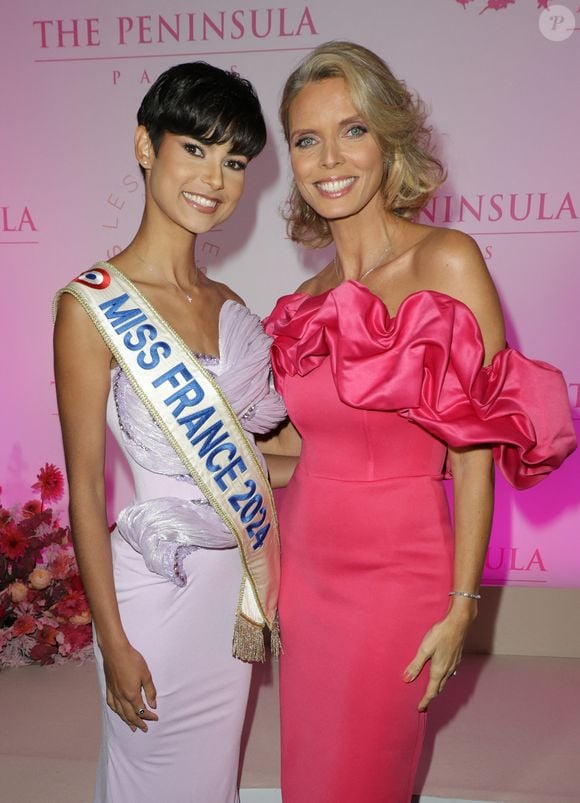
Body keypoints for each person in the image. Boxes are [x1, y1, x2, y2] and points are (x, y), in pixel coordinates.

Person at [262, 41, 576, 803]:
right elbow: (299, 452)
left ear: (390, 140)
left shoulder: (449, 261)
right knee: (310, 781)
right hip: (302, 578)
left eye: (353, 130)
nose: (329, 157)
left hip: (398, 578)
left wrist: (462, 605)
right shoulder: (303, 305)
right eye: (307, 138)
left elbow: (474, 457)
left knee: (363, 779)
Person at [53, 62, 285, 803]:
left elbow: (262, 453)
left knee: (212, 782)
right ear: (146, 147)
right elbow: (86, 492)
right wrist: (113, 640)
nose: (215, 178)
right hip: (150, 595)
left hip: (228, 601)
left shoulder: (231, 304)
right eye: (195, 148)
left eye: (236, 160)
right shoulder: (92, 305)